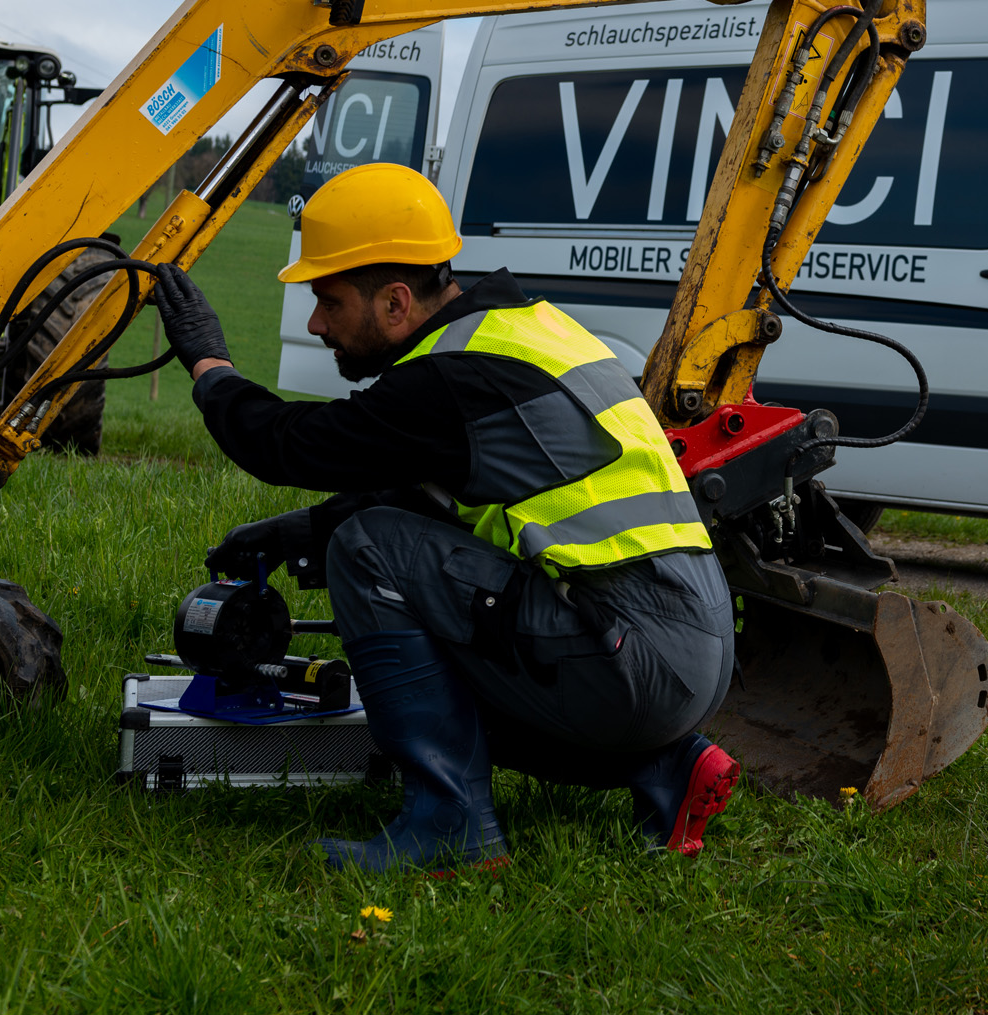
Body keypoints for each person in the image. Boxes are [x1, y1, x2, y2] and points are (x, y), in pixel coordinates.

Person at [149, 161, 740, 874]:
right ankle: (668, 767)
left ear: (396, 302)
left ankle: (450, 826)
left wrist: (209, 365)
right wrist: (301, 532)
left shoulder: (448, 379)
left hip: (632, 662)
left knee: (370, 555)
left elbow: (288, 446)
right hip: (693, 653)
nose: (315, 323)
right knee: (396, 590)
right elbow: (437, 497)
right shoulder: (522, 331)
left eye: (329, 301)